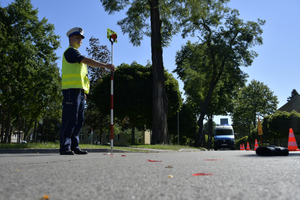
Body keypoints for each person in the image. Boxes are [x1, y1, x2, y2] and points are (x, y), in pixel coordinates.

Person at [60, 27, 115, 155]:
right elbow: (87, 60)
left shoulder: (77, 56)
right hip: (70, 91)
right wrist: (105, 65)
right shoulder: (71, 52)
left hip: (79, 93)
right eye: (77, 38)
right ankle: (65, 147)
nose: (80, 40)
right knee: (70, 119)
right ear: (70, 39)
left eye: (81, 39)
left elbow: (82, 77)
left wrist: (84, 93)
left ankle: (74, 146)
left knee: (79, 120)